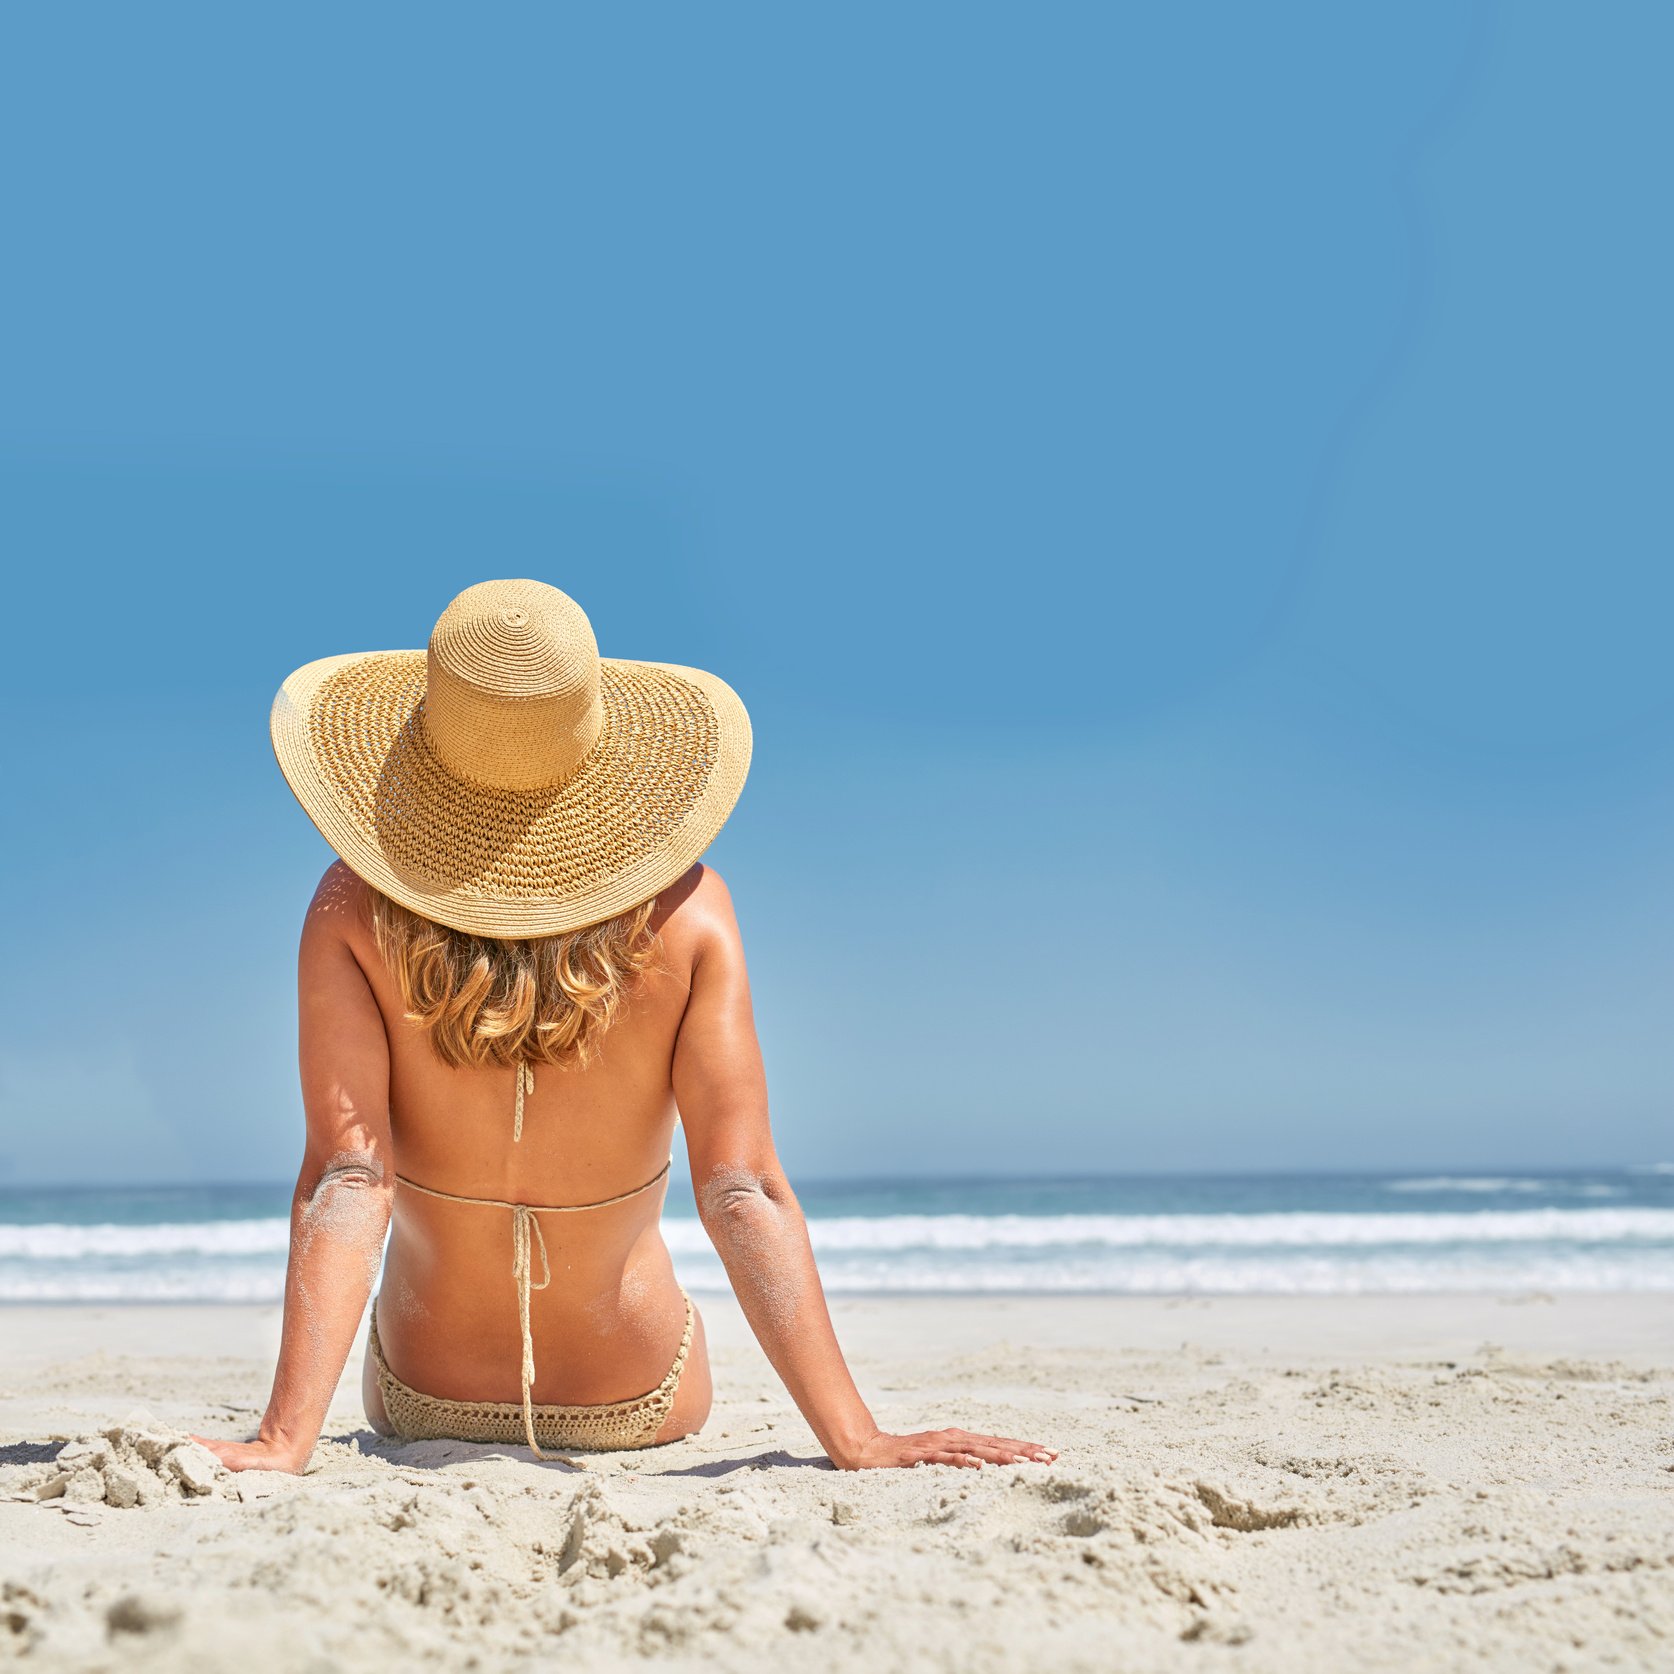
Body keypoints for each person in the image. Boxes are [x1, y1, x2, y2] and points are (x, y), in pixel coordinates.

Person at [200, 579, 1054, 1473]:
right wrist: (858, 1439)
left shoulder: (350, 910)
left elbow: (349, 1177)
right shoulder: (691, 915)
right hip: (639, 1395)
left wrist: (286, 1441)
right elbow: (742, 1192)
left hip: (423, 1394)